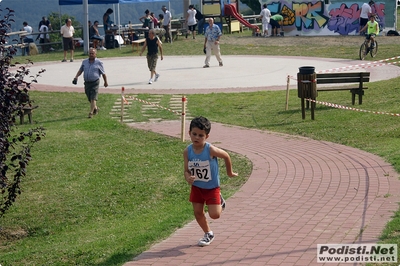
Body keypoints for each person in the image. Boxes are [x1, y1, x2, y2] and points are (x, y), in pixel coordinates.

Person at [183, 116, 238, 247]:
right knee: (197, 212)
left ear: (207, 137)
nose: (197, 137)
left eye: (201, 135)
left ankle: (220, 200)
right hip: (197, 187)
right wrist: (187, 177)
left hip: (212, 188)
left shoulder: (210, 150)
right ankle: (208, 233)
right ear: (189, 133)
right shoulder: (188, 151)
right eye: (194, 134)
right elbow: (186, 170)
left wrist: (229, 173)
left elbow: (226, 155)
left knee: (215, 215)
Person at [73, 48, 108, 118]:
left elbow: (103, 73)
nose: (91, 55)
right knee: (89, 97)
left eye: (92, 53)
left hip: (95, 82)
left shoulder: (99, 62)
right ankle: (95, 108)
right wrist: (76, 77)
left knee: (93, 98)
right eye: (90, 53)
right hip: (87, 82)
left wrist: (105, 82)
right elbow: (80, 70)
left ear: (96, 54)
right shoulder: (84, 62)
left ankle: (91, 112)